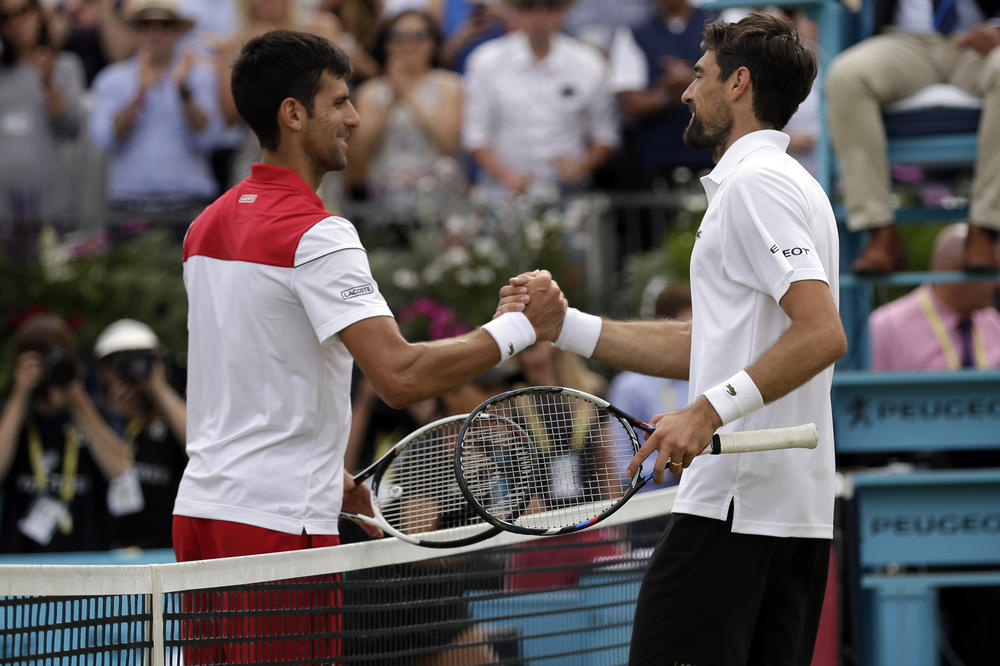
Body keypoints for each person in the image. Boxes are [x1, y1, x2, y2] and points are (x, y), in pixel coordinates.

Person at [172, 29, 565, 664]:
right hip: (278, 526)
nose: (355, 116)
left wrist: (324, 474)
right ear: (292, 114)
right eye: (339, 102)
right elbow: (399, 376)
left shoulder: (203, 227)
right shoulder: (318, 233)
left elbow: (256, 369)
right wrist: (518, 328)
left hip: (201, 514)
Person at [501, 12, 845, 664]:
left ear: (738, 84)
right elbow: (710, 344)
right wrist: (564, 327)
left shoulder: (755, 185)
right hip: (784, 515)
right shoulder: (788, 182)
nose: (686, 92)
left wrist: (705, 411)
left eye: (700, 75)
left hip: (735, 508)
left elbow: (823, 332)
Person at [826, 0, 1000, 273]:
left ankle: (985, 229)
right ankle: (880, 232)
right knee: (846, 77)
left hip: (980, 40)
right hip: (904, 41)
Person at [462, 0, 619, 201]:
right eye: (529, 6)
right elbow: (475, 134)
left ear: (563, 12)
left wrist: (582, 166)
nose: (540, 15)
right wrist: (506, 176)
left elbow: (605, 134)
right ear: (516, 12)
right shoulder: (486, 61)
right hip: (503, 196)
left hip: (570, 196)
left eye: (550, 6)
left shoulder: (588, 62)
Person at [88, 0, 224, 232]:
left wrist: (183, 91)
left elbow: (210, 137)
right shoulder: (112, 80)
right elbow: (106, 139)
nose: (155, 33)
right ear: (135, 31)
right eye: (146, 25)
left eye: (165, 25)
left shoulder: (199, 75)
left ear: (178, 31)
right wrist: (139, 94)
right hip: (129, 205)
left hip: (187, 204)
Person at [0, 313, 130, 553]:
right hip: (20, 562)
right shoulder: (12, 417)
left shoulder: (91, 413)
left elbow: (120, 470)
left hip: (87, 561)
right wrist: (19, 395)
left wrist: (76, 396)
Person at [346, 9, 466, 207]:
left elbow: (448, 143)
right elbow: (358, 154)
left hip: (440, 199)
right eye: (399, 36)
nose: (409, 44)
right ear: (387, 43)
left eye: (419, 36)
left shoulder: (450, 85)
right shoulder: (370, 91)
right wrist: (391, 100)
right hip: (385, 200)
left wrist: (406, 94)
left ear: (432, 42)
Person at [95, 318, 188, 550]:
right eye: (120, 365)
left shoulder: (173, 417)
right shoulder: (98, 419)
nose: (131, 371)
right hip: (111, 553)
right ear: (104, 372)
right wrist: (118, 418)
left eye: (140, 360)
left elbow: (198, 444)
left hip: (165, 552)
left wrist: (158, 388)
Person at [0, 0, 86, 239]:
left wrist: (48, 85)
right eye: (5, 17)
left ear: (39, 14)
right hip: (3, 209)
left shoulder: (65, 66)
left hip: (50, 203)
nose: (15, 23)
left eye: (22, 12)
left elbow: (71, 128)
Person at [608, 0, 713, 189]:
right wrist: (668, 94)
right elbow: (630, 104)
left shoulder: (722, 25)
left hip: (713, 158)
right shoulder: (634, 33)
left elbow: (736, 85)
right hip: (656, 166)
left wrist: (691, 80)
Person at [870, 223, 1000, 369]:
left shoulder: (994, 322)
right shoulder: (885, 326)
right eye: (992, 272)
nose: (997, 284)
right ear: (955, 271)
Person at [606, 283, 692, 488]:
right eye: (686, 329)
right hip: (653, 504)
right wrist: (673, 469)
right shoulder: (629, 387)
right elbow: (622, 465)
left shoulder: (708, 379)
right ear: (661, 328)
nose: (695, 338)